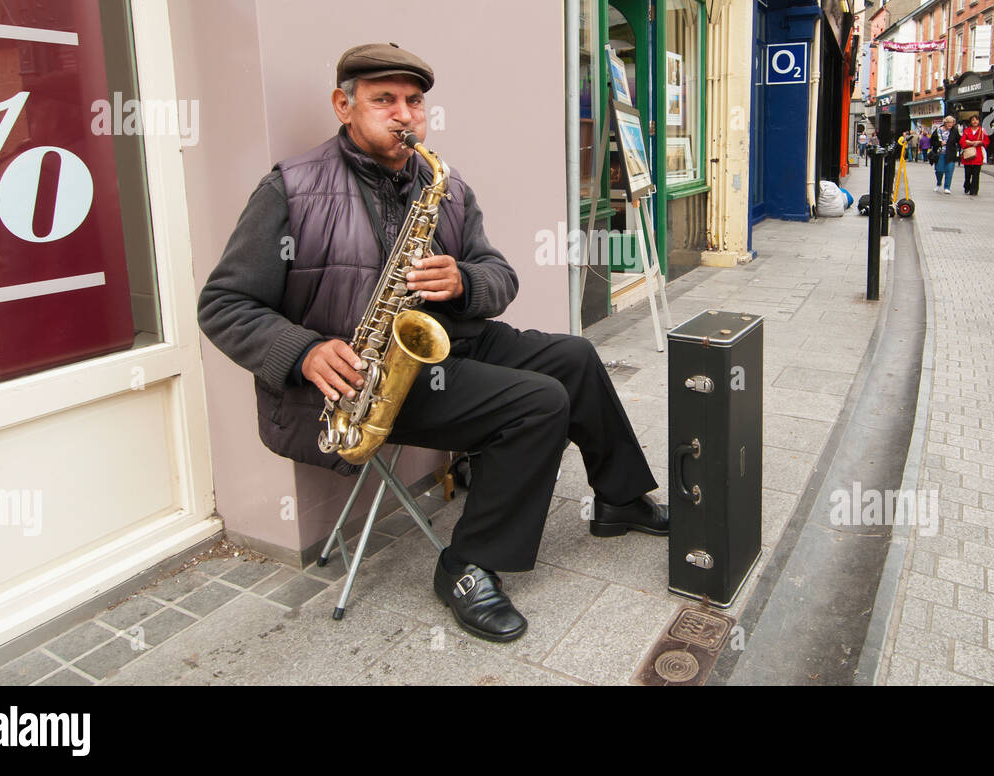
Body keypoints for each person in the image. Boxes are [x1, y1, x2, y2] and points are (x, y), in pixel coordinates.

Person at [197, 42, 667, 644]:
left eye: (414, 102)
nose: (404, 116)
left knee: (573, 357)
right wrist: (306, 351)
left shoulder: (445, 185)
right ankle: (467, 564)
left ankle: (619, 499)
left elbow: (501, 276)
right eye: (383, 100)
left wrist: (465, 280)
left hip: (448, 346)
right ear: (344, 106)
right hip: (361, 386)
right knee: (538, 402)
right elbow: (223, 305)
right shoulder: (289, 189)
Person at [931, 114, 960, 195]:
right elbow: (932, 142)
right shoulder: (938, 130)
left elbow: (960, 140)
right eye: (949, 123)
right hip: (940, 154)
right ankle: (939, 183)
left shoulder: (955, 131)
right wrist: (940, 143)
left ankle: (947, 187)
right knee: (939, 170)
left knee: (949, 171)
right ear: (945, 123)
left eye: (952, 123)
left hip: (951, 154)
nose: (950, 124)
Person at [959, 114, 987, 196]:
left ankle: (974, 190)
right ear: (970, 122)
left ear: (979, 121)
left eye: (976, 120)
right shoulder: (967, 131)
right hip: (968, 154)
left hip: (977, 154)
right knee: (967, 174)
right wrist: (969, 143)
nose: (975, 121)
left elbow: (986, 141)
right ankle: (967, 186)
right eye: (973, 120)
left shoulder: (982, 131)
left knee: (976, 174)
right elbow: (962, 141)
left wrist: (980, 142)